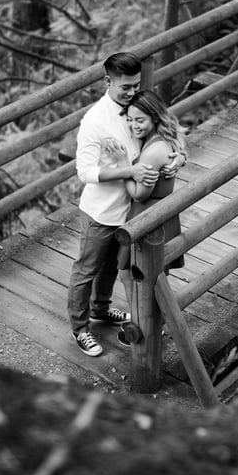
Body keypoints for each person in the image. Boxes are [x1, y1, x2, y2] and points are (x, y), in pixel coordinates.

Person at [68, 53, 184, 357]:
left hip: (132, 213)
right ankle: (80, 329)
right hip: (101, 212)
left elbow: (163, 135)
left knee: (112, 266)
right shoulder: (94, 120)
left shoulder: (139, 108)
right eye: (125, 87)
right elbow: (85, 172)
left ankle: (101, 309)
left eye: (136, 85)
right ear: (108, 81)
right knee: (88, 269)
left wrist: (176, 159)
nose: (132, 91)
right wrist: (127, 171)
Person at [111, 89, 187, 347]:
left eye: (140, 120)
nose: (133, 125)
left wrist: (124, 166)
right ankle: (154, 324)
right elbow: (180, 147)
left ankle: (142, 327)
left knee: (133, 275)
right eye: (130, 120)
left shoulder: (153, 152)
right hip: (163, 212)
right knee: (154, 276)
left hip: (147, 215)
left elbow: (138, 194)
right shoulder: (167, 136)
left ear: (155, 118)